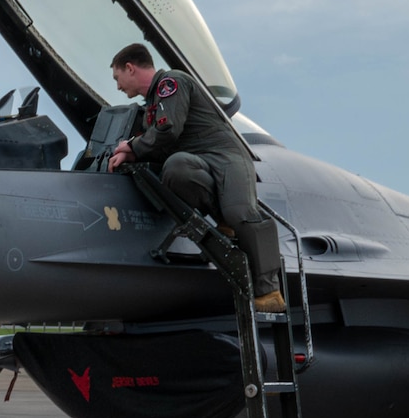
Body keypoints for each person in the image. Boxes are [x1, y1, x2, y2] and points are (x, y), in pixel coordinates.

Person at [105, 43, 286, 313]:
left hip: (225, 157)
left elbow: (167, 131)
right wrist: (132, 155)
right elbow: (163, 148)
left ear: (130, 68)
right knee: (176, 168)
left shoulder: (171, 82)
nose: (118, 87)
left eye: (117, 78)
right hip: (197, 160)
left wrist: (132, 146)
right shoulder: (152, 106)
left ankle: (269, 291)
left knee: (240, 212)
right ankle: (221, 214)